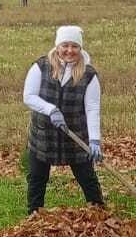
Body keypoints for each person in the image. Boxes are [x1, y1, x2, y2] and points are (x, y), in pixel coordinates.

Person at [22, 25, 104, 214]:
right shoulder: (40, 67)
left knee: (86, 176)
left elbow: (92, 108)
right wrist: (51, 110)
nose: (69, 50)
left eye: (75, 46)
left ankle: (99, 213)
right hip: (44, 135)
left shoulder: (89, 74)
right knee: (37, 177)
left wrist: (94, 140)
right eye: (65, 45)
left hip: (74, 133)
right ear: (57, 46)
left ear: (80, 49)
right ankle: (34, 216)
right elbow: (29, 96)